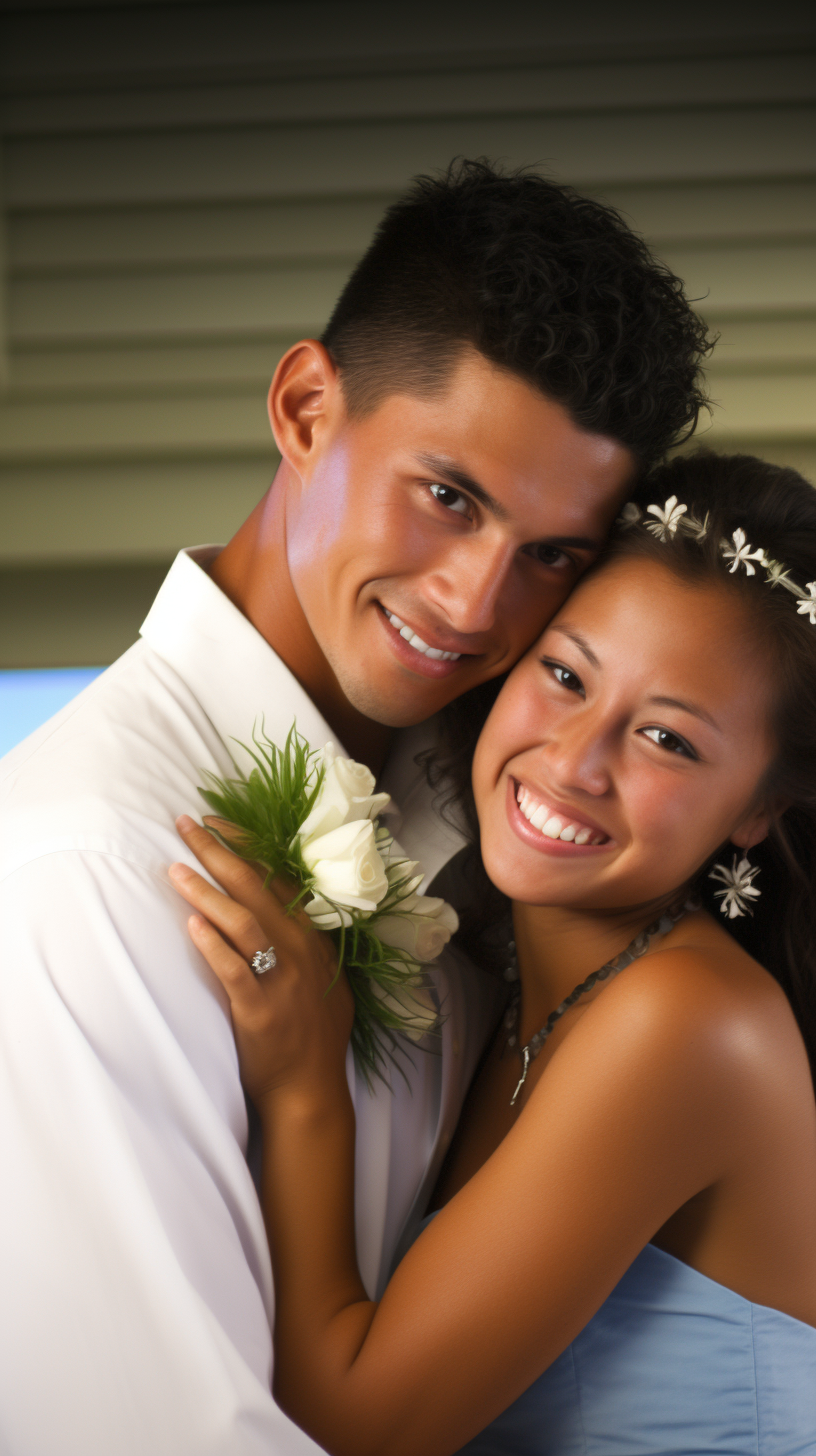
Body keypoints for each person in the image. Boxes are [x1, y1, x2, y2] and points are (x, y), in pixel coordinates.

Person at [0, 160, 708, 1456]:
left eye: (553, 554)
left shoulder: (519, 833)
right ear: (306, 407)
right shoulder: (90, 879)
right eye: (450, 497)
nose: (479, 602)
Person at [174, 451, 816, 1456]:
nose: (573, 761)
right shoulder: (499, 984)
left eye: (667, 740)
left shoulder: (688, 1020)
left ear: (757, 811)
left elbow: (353, 1426)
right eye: (565, 675)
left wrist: (307, 1084)